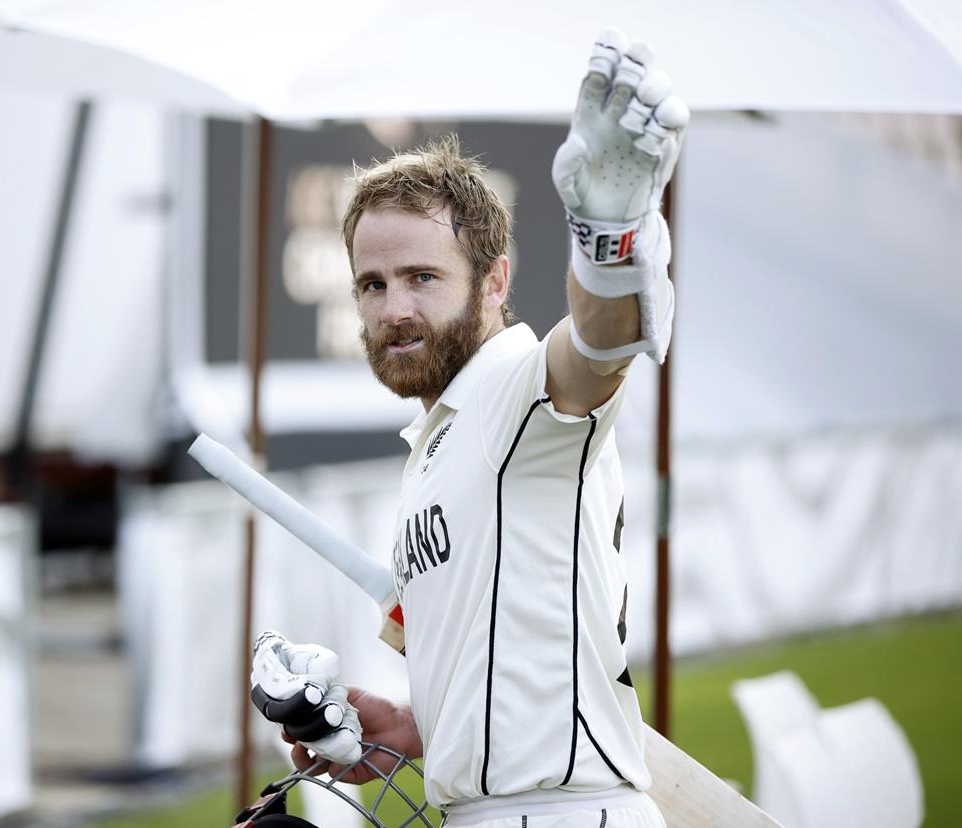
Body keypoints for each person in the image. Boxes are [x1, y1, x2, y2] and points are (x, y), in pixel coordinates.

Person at [251, 29, 688, 828]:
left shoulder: (510, 389)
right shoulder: (437, 445)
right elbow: (507, 678)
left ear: (495, 282)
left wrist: (610, 237)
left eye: (423, 277)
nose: (394, 309)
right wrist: (411, 731)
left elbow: (599, 346)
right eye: (372, 285)